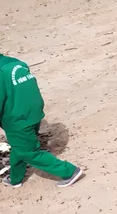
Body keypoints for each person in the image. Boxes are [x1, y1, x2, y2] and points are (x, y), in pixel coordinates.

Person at [0, 53, 84, 189]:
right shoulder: (14, 63)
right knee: (19, 146)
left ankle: (69, 171)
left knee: (29, 152)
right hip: (33, 111)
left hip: (17, 118)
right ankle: (16, 178)